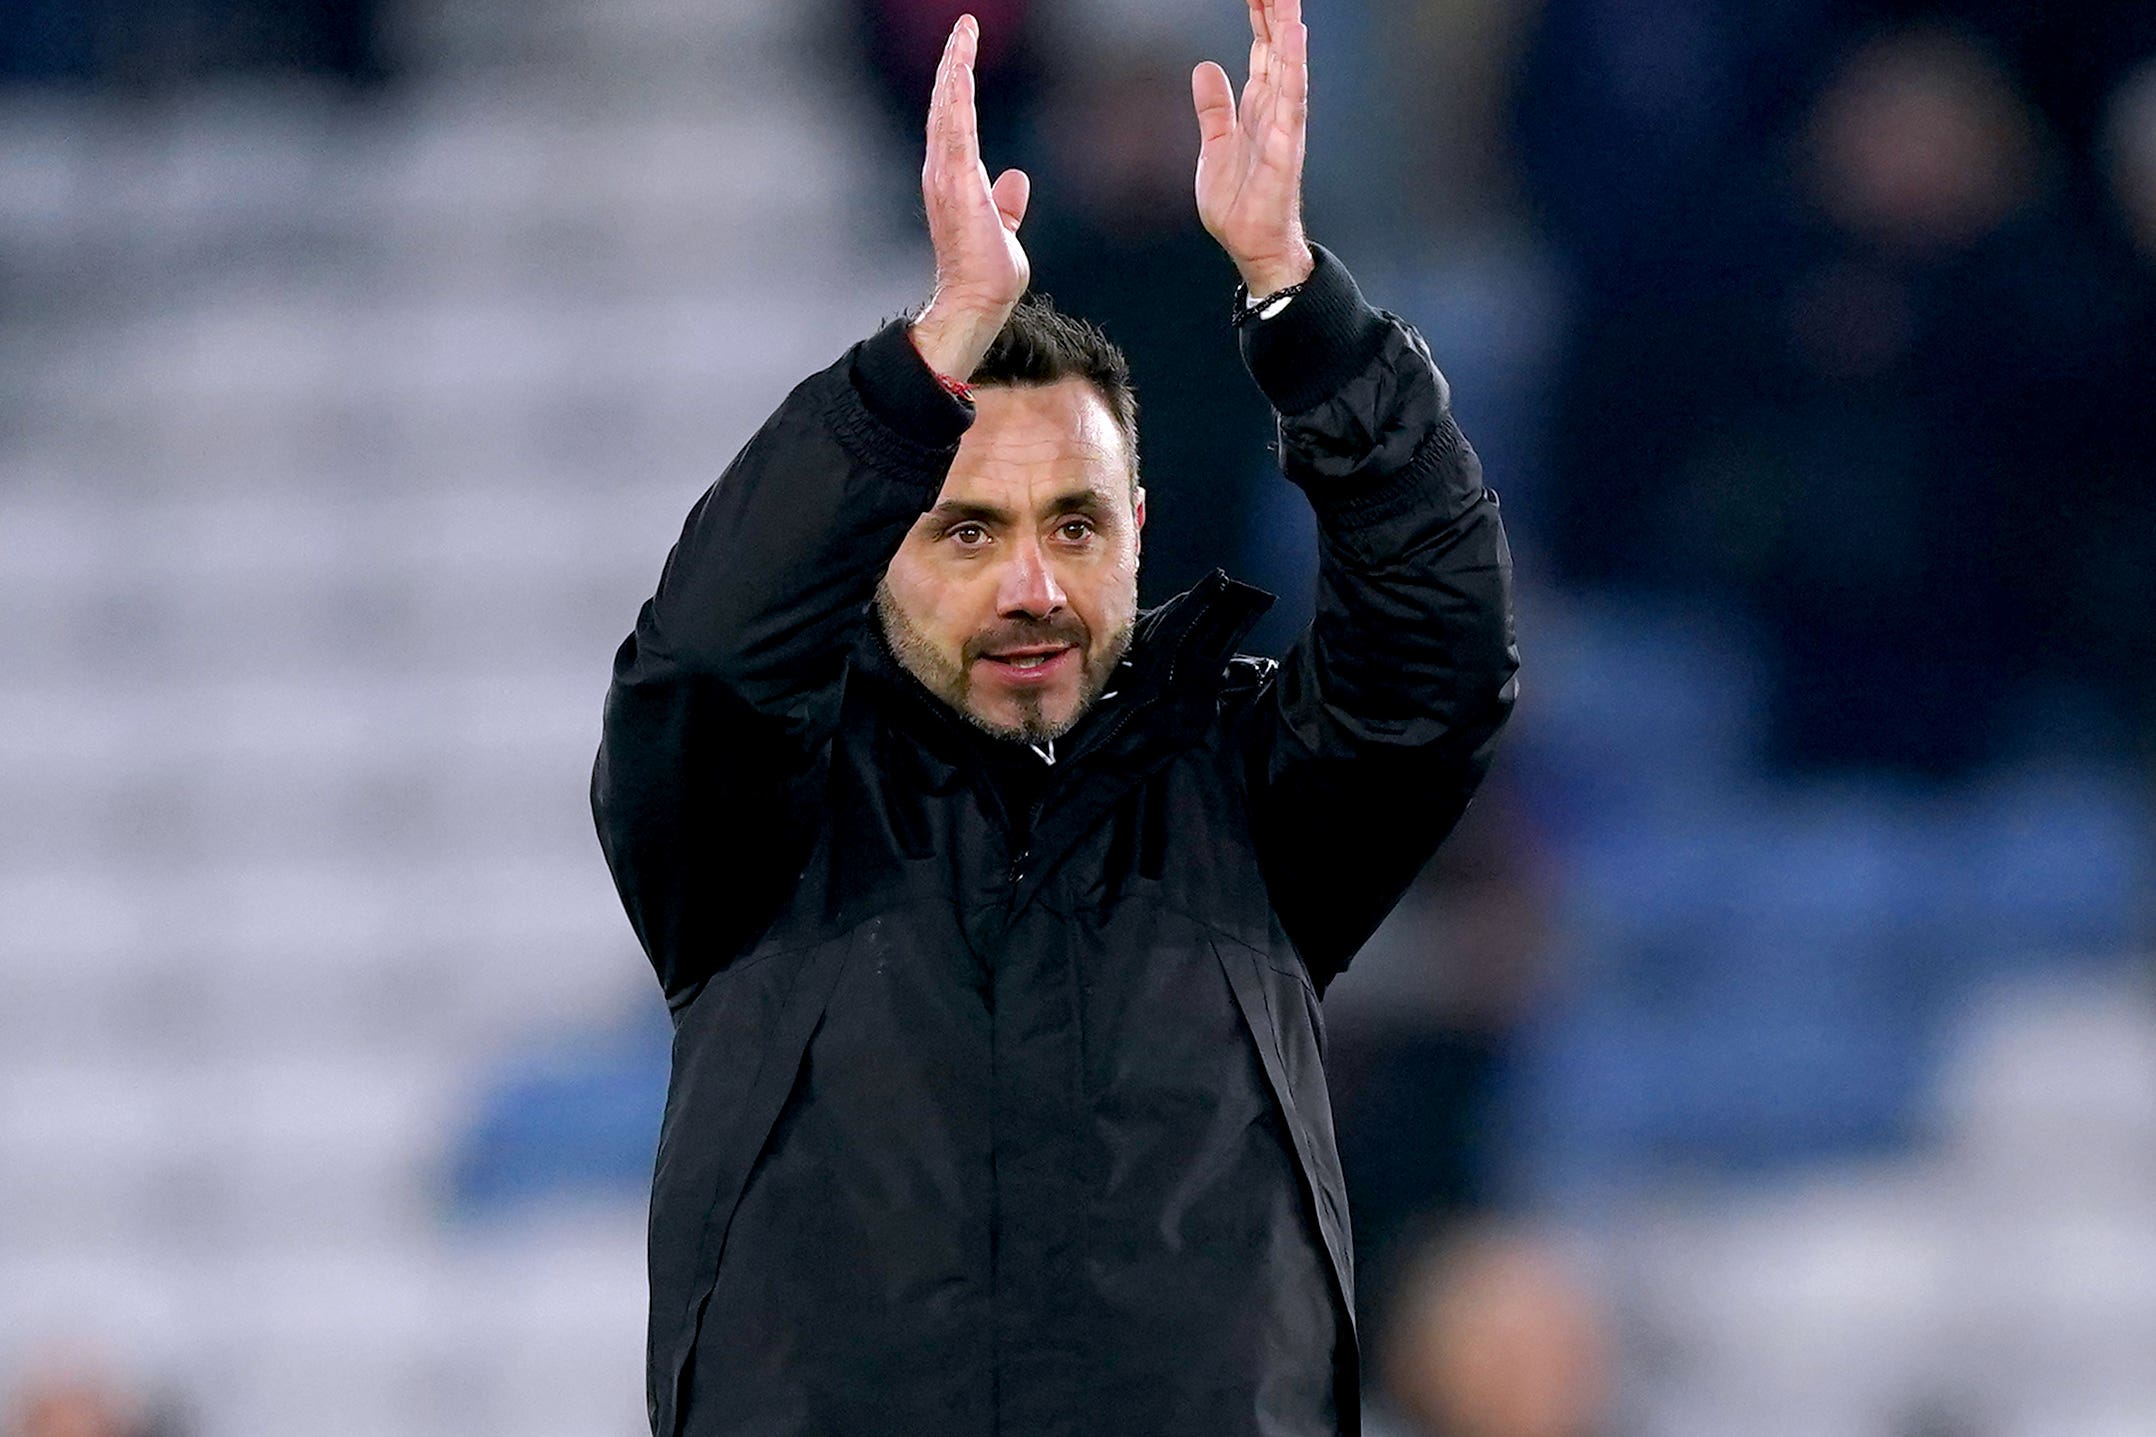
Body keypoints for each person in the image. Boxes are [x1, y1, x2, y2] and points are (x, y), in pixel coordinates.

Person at [590, 3, 1518, 1433]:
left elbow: (1439, 653)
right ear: (883, 539)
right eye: (968, 532)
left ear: (1137, 534)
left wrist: (1293, 297)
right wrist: (916, 366)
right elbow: (702, 663)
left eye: (1075, 525)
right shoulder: (758, 824)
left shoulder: (1250, 797)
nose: (1033, 582)